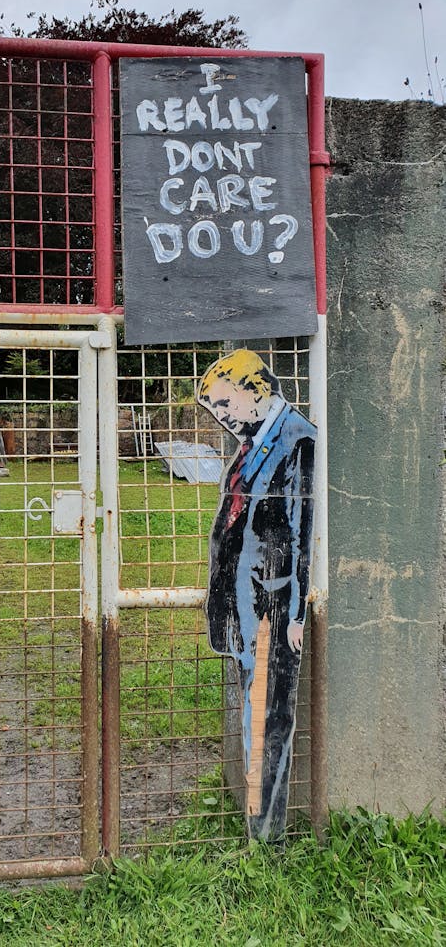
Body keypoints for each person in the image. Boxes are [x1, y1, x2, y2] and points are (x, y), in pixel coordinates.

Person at [197, 348, 315, 840]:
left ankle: (267, 834)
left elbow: (302, 529)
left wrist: (296, 615)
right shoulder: (252, 442)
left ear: (256, 390)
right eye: (214, 410)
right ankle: (254, 821)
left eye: (224, 405)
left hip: (273, 606)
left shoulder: (296, 439)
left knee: (270, 718)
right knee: (253, 710)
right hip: (244, 605)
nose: (221, 417)